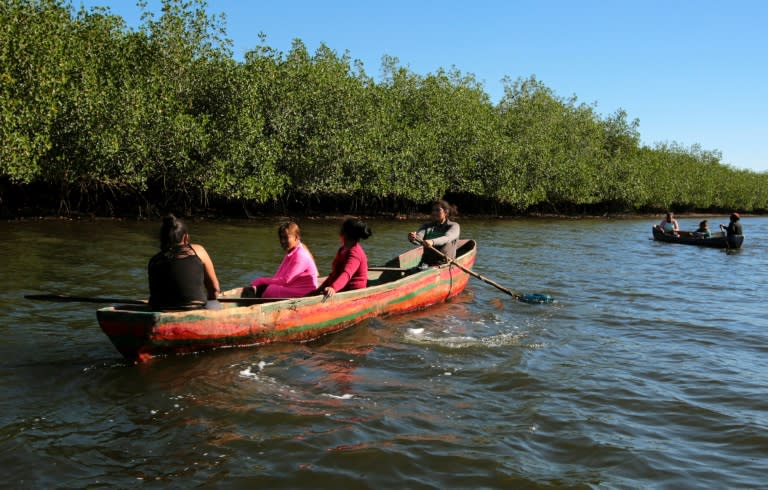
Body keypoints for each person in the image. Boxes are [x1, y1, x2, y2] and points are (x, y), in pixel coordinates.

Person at [148, 214, 222, 310]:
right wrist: (211, 299)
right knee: (215, 304)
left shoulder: (154, 260)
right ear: (186, 237)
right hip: (194, 308)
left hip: (160, 309)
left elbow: (155, 293)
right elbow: (214, 289)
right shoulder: (198, 251)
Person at [250, 222, 319, 298]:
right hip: (294, 287)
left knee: (271, 290)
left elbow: (286, 280)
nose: (283, 241)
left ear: (296, 237)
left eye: (286, 238)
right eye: (281, 238)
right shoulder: (292, 251)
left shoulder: (300, 255)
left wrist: (261, 281)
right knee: (270, 288)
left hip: (306, 293)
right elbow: (278, 276)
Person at [315, 218, 372, 299]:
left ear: (344, 233)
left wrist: (333, 288)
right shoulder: (342, 249)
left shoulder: (355, 253)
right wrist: (318, 290)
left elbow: (346, 274)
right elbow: (334, 274)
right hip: (341, 288)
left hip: (352, 292)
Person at [407, 199, 460, 266]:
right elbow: (419, 237)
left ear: (446, 212)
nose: (434, 213)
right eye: (433, 210)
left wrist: (432, 242)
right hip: (426, 263)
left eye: (438, 210)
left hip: (444, 263)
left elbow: (447, 238)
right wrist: (412, 238)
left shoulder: (454, 226)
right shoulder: (426, 226)